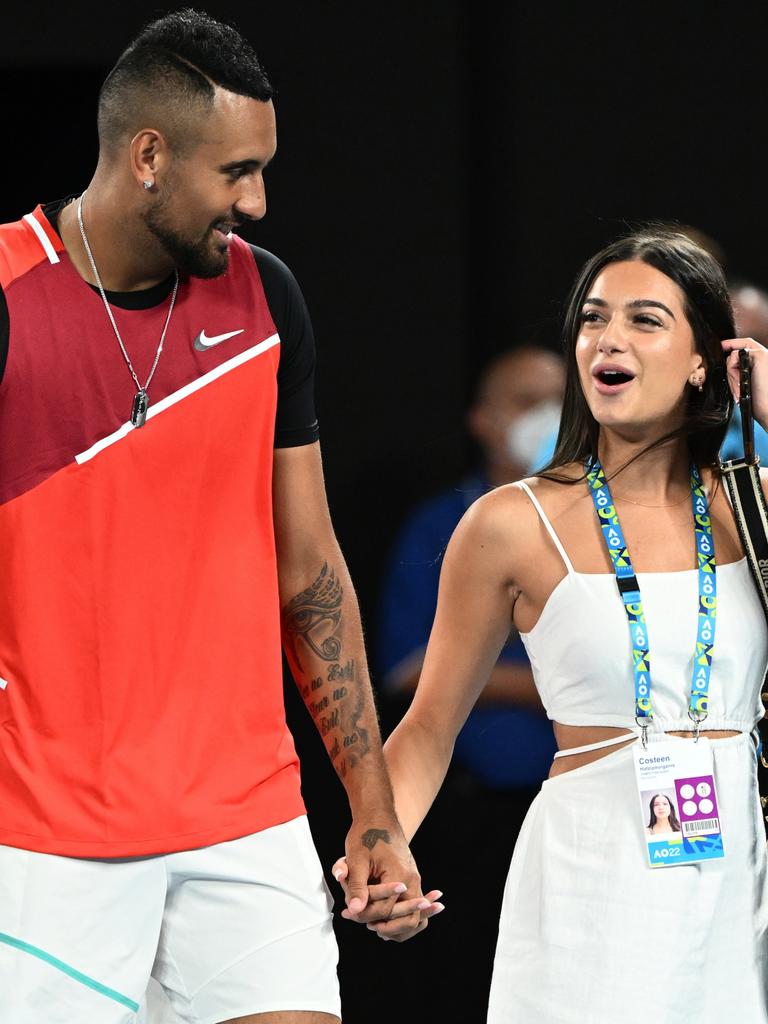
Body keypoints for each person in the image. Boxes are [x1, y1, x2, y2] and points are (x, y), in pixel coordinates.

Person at [0, 10, 440, 1023]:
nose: (257, 200)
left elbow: (310, 569)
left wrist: (371, 808)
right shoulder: (11, 293)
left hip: (245, 818)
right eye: (236, 172)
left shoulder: (266, 299)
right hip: (45, 837)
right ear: (148, 155)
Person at [337, 227, 768, 1021]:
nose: (609, 336)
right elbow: (430, 725)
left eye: (645, 319)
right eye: (594, 318)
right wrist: (377, 846)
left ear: (706, 358)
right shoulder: (509, 523)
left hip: (741, 881)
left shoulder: (752, 502)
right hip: (593, 880)